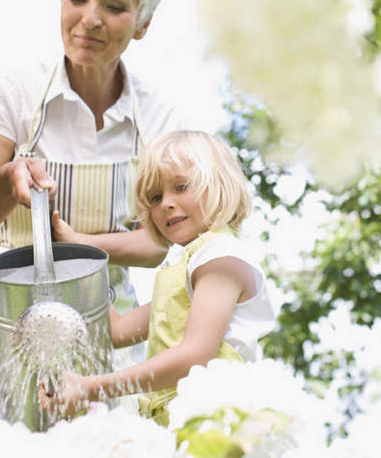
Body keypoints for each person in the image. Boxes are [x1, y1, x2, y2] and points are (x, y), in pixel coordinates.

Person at [0, 0, 180, 381]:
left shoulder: (157, 116)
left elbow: (159, 241)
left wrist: (82, 247)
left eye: (114, 6)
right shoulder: (16, 93)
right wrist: (10, 180)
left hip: (107, 327)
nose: (89, 19)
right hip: (6, 326)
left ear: (142, 24)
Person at [39, 130, 276, 426]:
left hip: (217, 425)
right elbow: (119, 331)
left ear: (220, 184)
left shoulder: (221, 259)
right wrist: (78, 255)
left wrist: (91, 387)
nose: (166, 203)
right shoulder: (185, 270)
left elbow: (194, 358)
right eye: (155, 197)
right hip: (185, 426)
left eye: (181, 186)